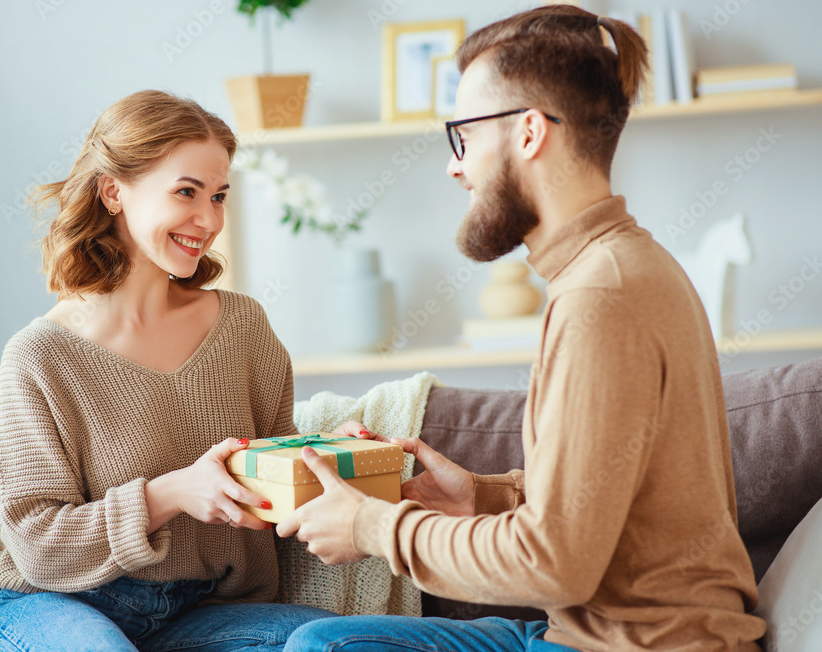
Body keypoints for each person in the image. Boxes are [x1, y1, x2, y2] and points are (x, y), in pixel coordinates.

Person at [277, 5, 767, 651]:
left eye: (464, 136)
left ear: (530, 132)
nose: (456, 167)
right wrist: (479, 495)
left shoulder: (602, 296)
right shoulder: (616, 270)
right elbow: (602, 508)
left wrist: (374, 528)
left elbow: (556, 561)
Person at [0, 90, 339, 651]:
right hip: (56, 605)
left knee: (337, 641)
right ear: (113, 191)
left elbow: (269, 474)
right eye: (186, 192)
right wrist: (172, 493)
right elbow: (37, 542)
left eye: (219, 196)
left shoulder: (244, 329)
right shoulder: (40, 357)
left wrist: (332, 457)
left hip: (202, 612)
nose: (208, 220)